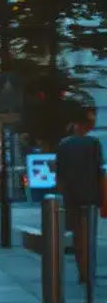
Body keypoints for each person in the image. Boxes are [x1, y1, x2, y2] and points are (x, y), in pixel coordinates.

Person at [56, 110, 103, 286]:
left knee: (77, 234)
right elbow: (99, 170)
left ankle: (81, 270)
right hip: (90, 194)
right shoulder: (94, 143)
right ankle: (89, 269)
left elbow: (59, 173)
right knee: (89, 234)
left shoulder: (64, 144)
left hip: (72, 195)